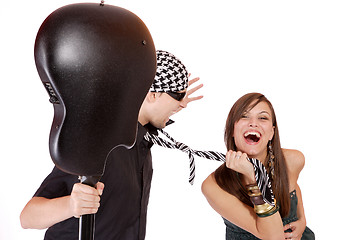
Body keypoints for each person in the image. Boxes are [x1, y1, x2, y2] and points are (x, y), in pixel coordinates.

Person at [20, 50, 203, 240]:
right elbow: (28, 217)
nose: (183, 105)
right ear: (153, 94)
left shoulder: (142, 142)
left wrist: (173, 102)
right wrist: (71, 205)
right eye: (178, 97)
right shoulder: (99, 141)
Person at [202, 93, 315, 240]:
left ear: (272, 133)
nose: (253, 123)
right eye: (244, 116)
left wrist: (302, 218)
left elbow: (292, 186)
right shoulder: (214, 185)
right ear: (232, 130)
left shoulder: (292, 160)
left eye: (262, 118)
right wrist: (253, 179)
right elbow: (273, 236)